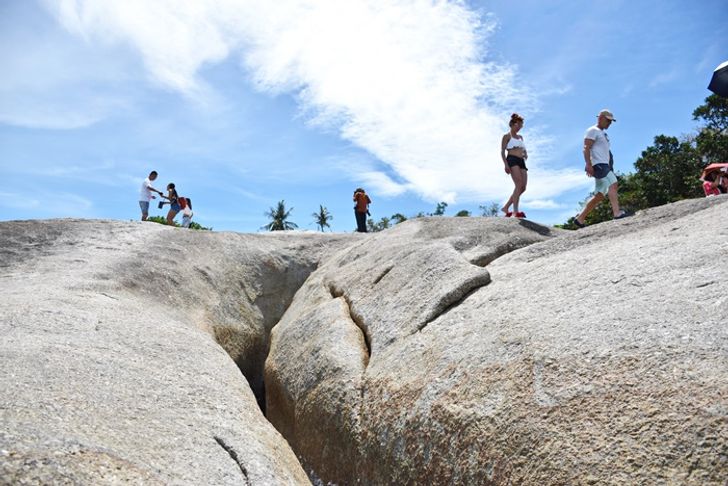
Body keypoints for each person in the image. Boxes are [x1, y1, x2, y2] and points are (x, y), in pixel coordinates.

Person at [573, 109, 628, 228]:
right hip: (599, 165)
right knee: (613, 183)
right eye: (608, 120)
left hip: (604, 165)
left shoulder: (603, 134)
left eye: (611, 121)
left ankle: (580, 218)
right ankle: (617, 213)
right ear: (600, 118)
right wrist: (588, 164)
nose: (609, 123)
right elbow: (586, 148)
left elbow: (605, 152)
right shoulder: (593, 130)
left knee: (600, 195)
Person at [500, 113, 529, 218]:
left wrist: (525, 154)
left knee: (523, 187)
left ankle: (506, 207)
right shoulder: (506, 136)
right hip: (512, 160)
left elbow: (523, 149)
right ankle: (515, 211)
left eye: (521, 126)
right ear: (514, 124)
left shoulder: (521, 137)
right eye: (519, 125)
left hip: (521, 161)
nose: (520, 128)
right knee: (518, 184)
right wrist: (505, 165)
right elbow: (502, 151)